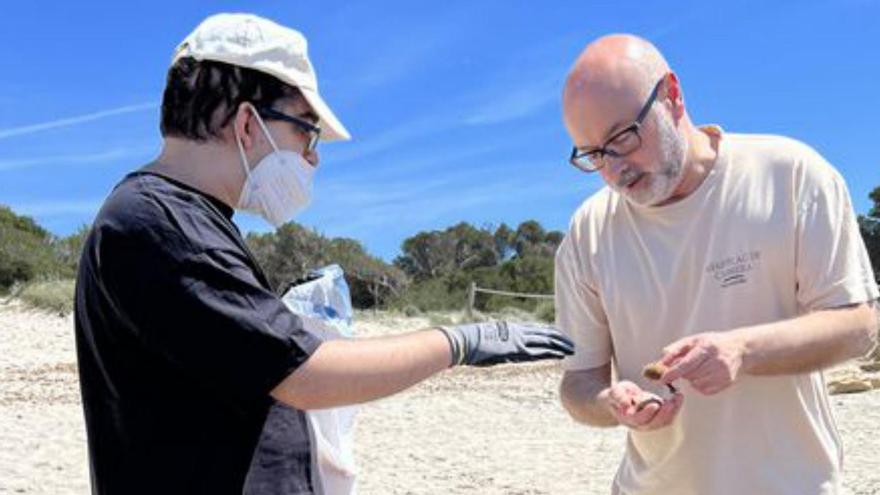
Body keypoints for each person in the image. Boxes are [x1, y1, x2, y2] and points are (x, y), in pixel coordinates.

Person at [73, 13, 574, 495]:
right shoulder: (157, 220)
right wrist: (463, 342)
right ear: (247, 122)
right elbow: (307, 375)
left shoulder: (180, 218)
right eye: (306, 131)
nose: (313, 156)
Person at [555, 33, 878, 495]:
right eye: (592, 154)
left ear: (672, 96)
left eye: (622, 138)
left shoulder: (789, 174)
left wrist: (743, 350)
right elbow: (578, 385)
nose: (613, 171)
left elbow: (859, 326)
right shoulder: (588, 233)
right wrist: (609, 402)